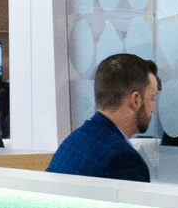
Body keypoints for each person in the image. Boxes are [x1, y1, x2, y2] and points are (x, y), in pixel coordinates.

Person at [47, 53, 156, 181]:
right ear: (135, 100)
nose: (152, 109)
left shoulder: (73, 142)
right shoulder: (122, 159)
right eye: (152, 99)